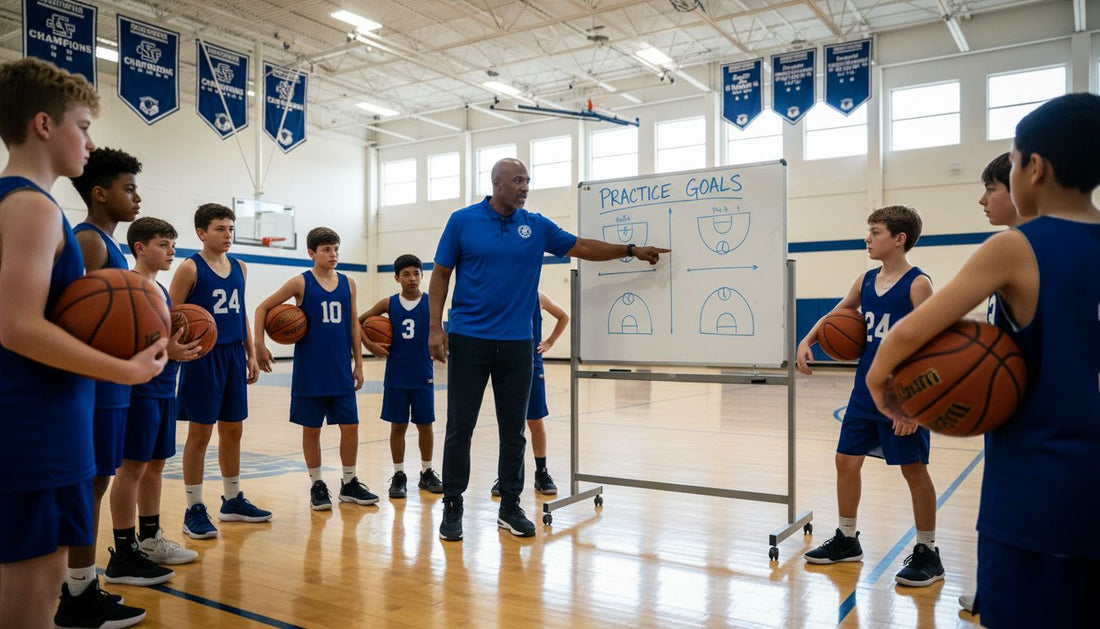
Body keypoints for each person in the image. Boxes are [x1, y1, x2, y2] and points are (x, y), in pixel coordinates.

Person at [867, 93, 1100, 628]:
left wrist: (883, 382)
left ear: (1034, 167)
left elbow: (911, 332)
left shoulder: (1019, 246)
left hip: (1038, 487)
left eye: (1011, 163)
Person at [0, 57, 166, 629]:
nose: (90, 143)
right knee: (29, 603)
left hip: (38, 422)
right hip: (36, 427)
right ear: (44, 125)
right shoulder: (32, 206)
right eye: (83, 126)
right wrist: (128, 370)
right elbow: (16, 325)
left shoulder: (15, 201)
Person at [430, 157, 669, 541]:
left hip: (516, 343)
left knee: (514, 430)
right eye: (518, 180)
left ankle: (510, 505)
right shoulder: (462, 221)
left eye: (528, 180)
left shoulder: (536, 226)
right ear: (496, 183)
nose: (525, 187)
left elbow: (582, 245)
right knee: (461, 427)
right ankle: (453, 505)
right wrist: (435, 328)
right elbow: (440, 274)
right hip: (469, 338)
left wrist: (630, 249)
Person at [795, 205, 944, 587]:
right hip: (865, 392)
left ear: (899, 239)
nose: (867, 238)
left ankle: (928, 551)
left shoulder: (917, 284)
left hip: (904, 395)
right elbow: (839, 313)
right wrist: (808, 339)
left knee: (913, 470)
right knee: (846, 461)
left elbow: (933, 346)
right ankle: (847, 538)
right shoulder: (864, 280)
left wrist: (914, 406)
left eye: (875, 232)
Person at [64, 149, 176, 613]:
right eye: (128, 188)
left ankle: (83, 583)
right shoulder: (89, 241)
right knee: (88, 485)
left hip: (112, 384)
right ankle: (77, 590)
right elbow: (78, 317)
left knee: (97, 484)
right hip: (95, 383)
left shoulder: (104, 244)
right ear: (100, 193)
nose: (136, 197)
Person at [255, 227, 378, 510]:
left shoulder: (349, 283)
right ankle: (317, 484)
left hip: (339, 369)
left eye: (336, 248)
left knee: (351, 427)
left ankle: (349, 483)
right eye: (326, 249)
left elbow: (352, 325)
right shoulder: (301, 282)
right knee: (312, 430)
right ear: (311, 253)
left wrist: (359, 363)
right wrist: (259, 345)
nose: (333, 254)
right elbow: (262, 308)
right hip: (310, 370)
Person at [170, 203, 271, 539]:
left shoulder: (240, 266)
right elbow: (171, 315)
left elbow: (240, 311)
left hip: (232, 355)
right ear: (201, 232)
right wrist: (176, 349)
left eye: (230, 229)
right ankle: (193, 508)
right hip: (202, 356)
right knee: (200, 434)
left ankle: (231, 500)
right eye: (219, 229)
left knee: (233, 429)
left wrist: (251, 352)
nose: (227, 235)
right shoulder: (189, 268)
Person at [958, 151, 1029, 615]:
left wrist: (891, 383)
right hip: (1020, 413)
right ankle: (993, 594)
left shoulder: (1014, 249)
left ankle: (1000, 599)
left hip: (1027, 417)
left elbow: (921, 327)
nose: (982, 199)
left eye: (992, 188)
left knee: (1009, 519)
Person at [115, 217, 201, 569]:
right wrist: (171, 350)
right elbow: (123, 342)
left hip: (167, 387)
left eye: (172, 243)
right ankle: (124, 549)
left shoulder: (162, 290)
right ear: (140, 248)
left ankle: (150, 539)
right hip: (139, 390)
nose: (171, 251)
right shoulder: (127, 286)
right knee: (131, 468)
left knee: (156, 465)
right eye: (163, 244)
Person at [358, 254, 444, 499]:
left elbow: (441, 333)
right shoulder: (388, 303)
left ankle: (426, 473)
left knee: (425, 425)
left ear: (422, 276)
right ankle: (399, 475)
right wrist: (370, 346)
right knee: (398, 426)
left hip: (423, 374)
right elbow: (357, 322)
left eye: (416, 273)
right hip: (396, 375)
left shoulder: (431, 303)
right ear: (397, 278)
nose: (412, 278)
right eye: (406, 274)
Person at [491, 291, 569, 497]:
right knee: (508, 423)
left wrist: (550, 342)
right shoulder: (501, 294)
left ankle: (541, 473)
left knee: (535, 421)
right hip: (506, 364)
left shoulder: (538, 296)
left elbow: (564, 316)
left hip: (532, 365)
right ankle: (506, 474)